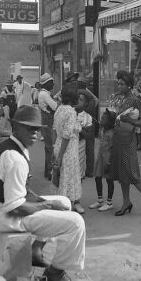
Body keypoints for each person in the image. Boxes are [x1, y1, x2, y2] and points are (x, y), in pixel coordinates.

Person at [0, 105, 86, 281]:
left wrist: (42, 200)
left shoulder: (16, 146)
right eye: (29, 128)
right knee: (76, 223)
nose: (34, 133)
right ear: (15, 127)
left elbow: (21, 190)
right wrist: (48, 205)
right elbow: (15, 208)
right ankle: (55, 272)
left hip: (4, 207)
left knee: (63, 201)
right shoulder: (14, 157)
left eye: (37, 129)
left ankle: (36, 250)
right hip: (6, 216)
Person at [109, 70, 141, 216]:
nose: (119, 86)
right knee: (122, 173)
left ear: (129, 86)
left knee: (132, 173)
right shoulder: (119, 99)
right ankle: (126, 202)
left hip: (128, 140)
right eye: (118, 83)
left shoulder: (135, 100)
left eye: (122, 84)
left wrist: (130, 120)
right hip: (118, 138)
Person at [52, 85, 84, 214]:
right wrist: (59, 156)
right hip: (68, 149)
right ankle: (66, 205)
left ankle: (64, 203)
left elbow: (55, 130)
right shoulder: (70, 112)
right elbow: (67, 136)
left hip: (59, 145)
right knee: (68, 176)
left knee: (61, 176)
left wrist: (55, 150)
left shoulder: (59, 109)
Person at [88, 109, 115, 212]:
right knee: (97, 178)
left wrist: (109, 162)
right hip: (100, 158)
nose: (101, 120)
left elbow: (113, 149)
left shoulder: (112, 133)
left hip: (108, 160)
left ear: (110, 122)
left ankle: (109, 203)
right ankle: (100, 200)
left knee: (109, 180)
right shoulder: (103, 130)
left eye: (103, 119)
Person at [76, 75, 98, 178]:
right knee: (89, 148)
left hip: (87, 122)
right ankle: (89, 170)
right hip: (88, 122)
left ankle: (87, 170)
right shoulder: (87, 93)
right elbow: (96, 101)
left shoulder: (82, 93)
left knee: (86, 148)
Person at [38, 73, 57, 180]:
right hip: (48, 122)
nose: (53, 84)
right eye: (51, 82)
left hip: (45, 121)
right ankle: (50, 172)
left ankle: (47, 171)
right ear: (46, 83)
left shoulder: (43, 93)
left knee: (48, 147)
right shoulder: (45, 95)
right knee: (50, 148)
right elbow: (54, 107)